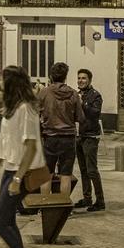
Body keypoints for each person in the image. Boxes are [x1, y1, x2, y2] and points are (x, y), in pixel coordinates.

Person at [0, 65, 44, 248]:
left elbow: (31, 147)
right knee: (7, 220)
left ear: (12, 83)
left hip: (22, 172)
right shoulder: (11, 108)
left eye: (2, 79)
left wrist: (17, 179)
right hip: (10, 170)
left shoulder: (26, 108)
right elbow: (2, 142)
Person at [39, 61, 85, 195]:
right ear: (65, 76)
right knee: (66, 175)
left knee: (47, 174)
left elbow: (33, 113)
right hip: (68, 138)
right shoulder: (73, 94)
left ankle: (46, 207)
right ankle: (63, 210)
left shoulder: (44, 93)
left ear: (51, 76)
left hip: (50, 138)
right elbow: (80, 118)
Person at [74, 68, 106, 212]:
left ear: (90, 80)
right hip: (79, 136)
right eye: (79, 78)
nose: (81, 80)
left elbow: (95, 113)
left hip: (90, 137)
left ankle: (100, 201)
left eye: (84, 78)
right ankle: (87, 198)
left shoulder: (95, 96)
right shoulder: (77, 95)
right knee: (83, 170)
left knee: (92, 170)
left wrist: (82, 104)